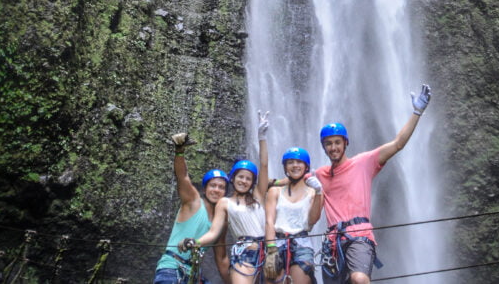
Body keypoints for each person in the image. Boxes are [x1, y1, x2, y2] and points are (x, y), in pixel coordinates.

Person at [316, 84, 432, 284]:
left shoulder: (363, 163)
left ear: (345, 143)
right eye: (329, 143)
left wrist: (417, 112)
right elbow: (293, 177)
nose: (333, 147)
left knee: (359, 279)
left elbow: (397, 144)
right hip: (333, 244)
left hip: (360, 237)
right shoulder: (319, 175)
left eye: (337, 142)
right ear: (324, 147)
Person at [179, 111, 270, 284]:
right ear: (233, 178)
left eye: (248, 178)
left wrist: (262, 137)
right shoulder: (224, 202)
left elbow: (264, 165)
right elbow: (214, 232)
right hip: (245, 254)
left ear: (253, 182)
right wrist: (196, 242)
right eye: (240, 176)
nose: (243, 180)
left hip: (269, 251)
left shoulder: (258, 196)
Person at [153, 132, 231, 284]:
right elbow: (183, 177)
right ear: (205, 188)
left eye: (221, 187)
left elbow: (221, 258)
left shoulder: (221, 221)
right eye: (212, 185)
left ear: (225, 192)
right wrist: (179, 152)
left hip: (194, 275)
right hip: (172, 269)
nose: (216, 190)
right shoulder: (193, 201)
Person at [263, 147, 323, 284]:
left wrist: (319, 192)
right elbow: (269, 221)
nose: (295, 165)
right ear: (285, 167)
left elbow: (313, 220)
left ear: (306, 166)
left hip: (302, 243)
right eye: (290, 162)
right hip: (276, 243)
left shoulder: (314, 191)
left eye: (299, 162)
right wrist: (271, 248)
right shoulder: (275, 191)